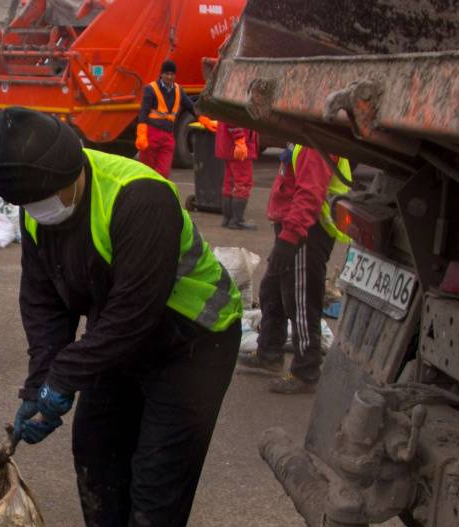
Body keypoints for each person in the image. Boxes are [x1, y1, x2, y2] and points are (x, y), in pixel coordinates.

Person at [0, 107, 241, 527]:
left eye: (49, 198)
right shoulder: (37, 210)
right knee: (96, 452)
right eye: (30, 206)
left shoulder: (138, 198)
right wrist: (39, 381)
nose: (42, 213)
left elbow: (134, 313)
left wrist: (66, 378)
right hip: (119, 338)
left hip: (189, 340)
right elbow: (44, 304)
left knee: (157, 478)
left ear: (76, 170)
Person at [238, 144, 352, 393]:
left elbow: (310, 194)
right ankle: (269, 352)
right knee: (273, 291)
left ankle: (305, 370)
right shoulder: (303, 139)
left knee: (300, 301)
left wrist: (291, 237)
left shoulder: (314, 143)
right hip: (295, 229)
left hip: (306, 233)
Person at [135, 59, 212, 179]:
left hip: (167, 136)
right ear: (161, 74)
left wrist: (203, 119)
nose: (169, 77)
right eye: (167, 74)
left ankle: (159, 195)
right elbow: (143, 112)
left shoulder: (178, 90)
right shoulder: (150, 89)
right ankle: (147, 195)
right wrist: (141, 134)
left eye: (172, 74)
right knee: (147, 171)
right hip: (151, 135)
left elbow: (190, 106)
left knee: (164, 173)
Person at [215, 121, 258, 230]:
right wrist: (239, 139)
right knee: (243, 183)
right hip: (238, 144)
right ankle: (237, 220)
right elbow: (233, 117)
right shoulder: (238, 103)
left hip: (229, 143)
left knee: (229, 182)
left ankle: (228, 218)